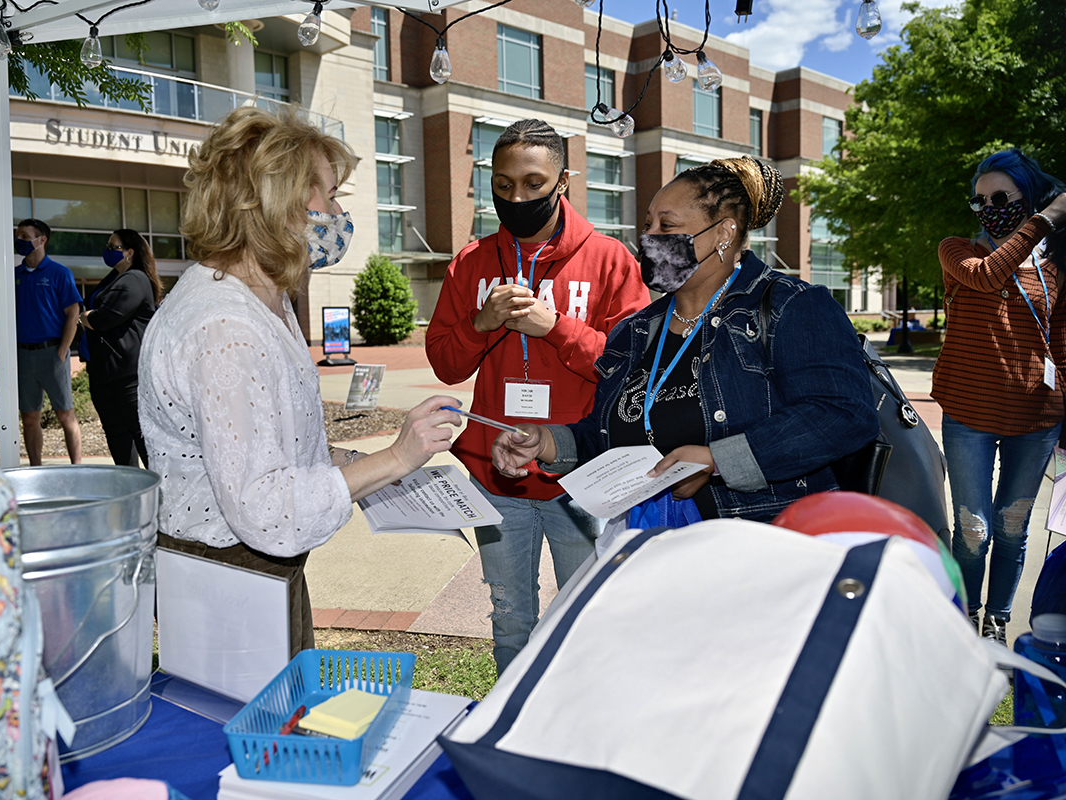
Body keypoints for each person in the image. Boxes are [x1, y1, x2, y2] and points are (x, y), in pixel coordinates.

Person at [138, 107, 461, 657]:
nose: (338, 212)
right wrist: (396, 459)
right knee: (259, 735)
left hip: (251, 573)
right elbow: (264, 510)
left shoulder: (264, 299)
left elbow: (267, 443)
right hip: (230, 582)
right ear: (279, 205)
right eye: (330, 196)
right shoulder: (226, 328)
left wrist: (355, 465)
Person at [493, 157, 879, 528]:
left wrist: (716, 461)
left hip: (765, 540)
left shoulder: (790, 306)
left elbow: (843, 413)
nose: (650, 238)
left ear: (724, 233)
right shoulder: (635, 330)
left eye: (667, 225)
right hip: (649, 538)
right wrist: (547, 442)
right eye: (647, 225)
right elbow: (610, 434)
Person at [425, 119, 649, 674]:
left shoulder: (609, 260)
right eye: (503, 185)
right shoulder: (472, 262)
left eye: (532, 183)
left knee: (584, 615)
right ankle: (508, 731)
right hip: (495, 471)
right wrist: (481, 323)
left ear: (563, 181)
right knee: (510, 618)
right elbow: (447, 364)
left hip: (582, 474)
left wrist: (556, 327)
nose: (517, 197)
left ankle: (575, 728)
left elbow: (633, 371)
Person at [933, 148, 1066, 646]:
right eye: (980, 200)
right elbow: (988, 277)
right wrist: (1046, 218)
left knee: (1012, 529)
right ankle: (964, 619)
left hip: (1036, 419)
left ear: (1026, 195)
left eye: (1000, 196)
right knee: (973, 531)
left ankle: (997, 623)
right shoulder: (956, 250)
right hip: (969, 415)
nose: (989, 206)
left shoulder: (1055, 266)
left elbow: (1063, 338)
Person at [79, 229, 161, 467]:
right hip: (105, 373)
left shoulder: (134, 280)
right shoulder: (114, 278)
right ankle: (133, 491)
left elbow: (105, 318)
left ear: (129, 253)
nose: (106, 250)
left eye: (112, 246)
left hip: (128, 376)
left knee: (141, 436)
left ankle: (161, 495)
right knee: (117, 435)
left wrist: (87, 318)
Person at [14, 218, 84, 466]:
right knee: (30, 418)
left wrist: (63, 351)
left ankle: (77, 468)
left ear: (41, 240)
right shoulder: (14, 276)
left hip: (52, 353)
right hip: (23, 356)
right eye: (18, 235)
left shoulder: (60, 273)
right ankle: (36, 469)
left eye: (25, 236)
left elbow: (73, 313)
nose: (19, 240)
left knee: (65, 415)